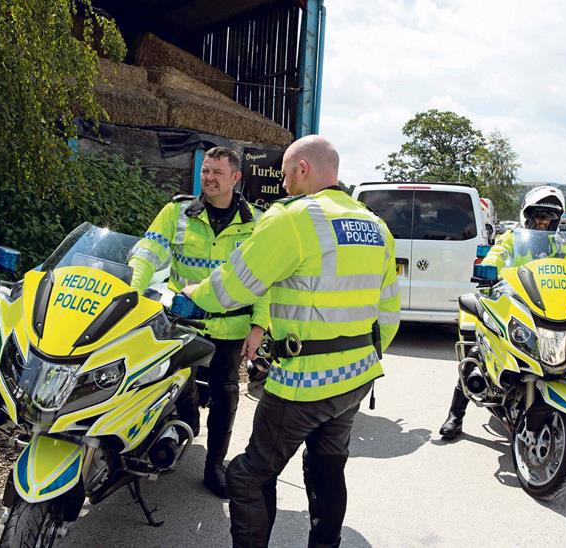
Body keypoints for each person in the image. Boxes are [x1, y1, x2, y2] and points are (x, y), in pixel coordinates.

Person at [182, 135, 400, 548]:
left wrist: (190, 296)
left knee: (247, 475)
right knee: (327, 468)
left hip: (303, 381)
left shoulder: (295, 219)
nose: (282, 184)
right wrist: (360, 358)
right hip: (357, 378)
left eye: (285, 175)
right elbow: (388, 315)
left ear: (303, 169)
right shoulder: (376, 226)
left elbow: (233, 286)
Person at [127, 146, 270, 499]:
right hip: (182, 323)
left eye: (217, 173)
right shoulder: (177, 212)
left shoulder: (256, 222)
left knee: (225, 395)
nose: (208, 178)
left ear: (236, 178)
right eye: (205, 171)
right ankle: (185, 425)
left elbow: (266, 279)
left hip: (231, 328)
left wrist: (259, 326)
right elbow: (148, 252)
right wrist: (129, 295)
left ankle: (215, 466)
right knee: (174, 384)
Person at [438, 185, 566, 459]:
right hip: (514, 305)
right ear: (528, 215)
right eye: (539, 215)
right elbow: (495, 257)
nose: (544, 221)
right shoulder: (512, 238)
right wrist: (488, 273)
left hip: (550, 310)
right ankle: (456, 415)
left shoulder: (560, 245)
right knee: (479, 354)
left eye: (550, 216)